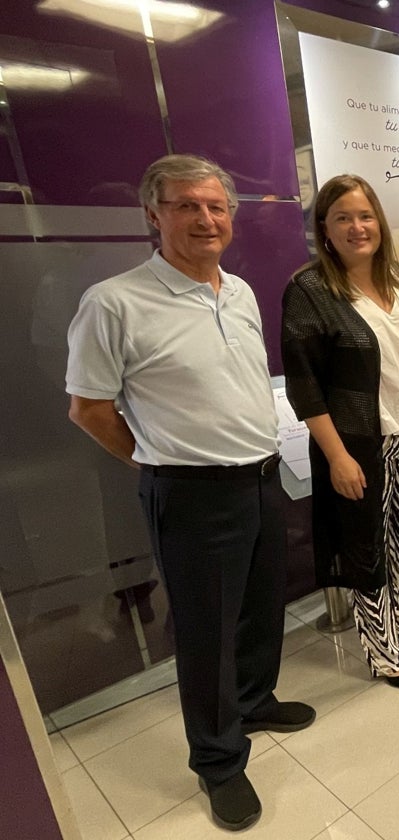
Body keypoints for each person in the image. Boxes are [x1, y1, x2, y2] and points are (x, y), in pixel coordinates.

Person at [65, 154, 314, 832]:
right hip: (192, 493)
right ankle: (218, 761)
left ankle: (255, 700)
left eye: (216, 206)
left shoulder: (238, 291)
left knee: (262, 608)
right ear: (155, 214)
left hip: (261, 478)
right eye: (186, 206)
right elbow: (87, 408)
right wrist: (158, 462)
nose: (205, 218)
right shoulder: (115, 302)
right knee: (205, 634)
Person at [281, 174, 399, 693]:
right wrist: (336, 457)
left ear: (379, 221)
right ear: (324, 230)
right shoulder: (310, 291)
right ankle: (387, 652)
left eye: (365, 215)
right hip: (359, 444)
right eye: (343, 218)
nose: (358, 227)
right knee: (369, 546)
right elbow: (305, 386)